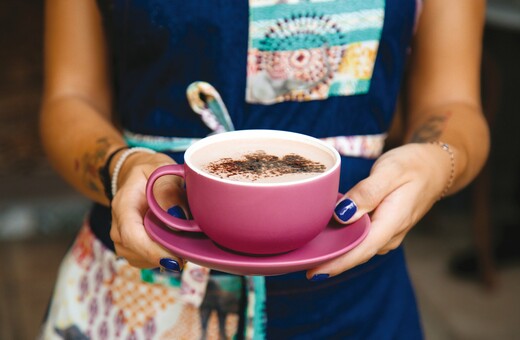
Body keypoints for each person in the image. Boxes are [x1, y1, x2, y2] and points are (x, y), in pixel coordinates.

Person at [39, 0, 489, 339]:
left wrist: (437, 162)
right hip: (137, 290)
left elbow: (454, 102)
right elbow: (69, 98)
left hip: (355, 302)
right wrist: (121, 168)